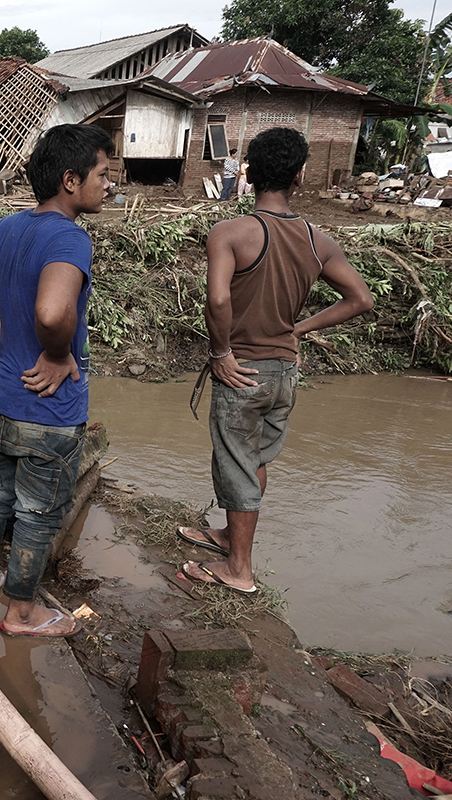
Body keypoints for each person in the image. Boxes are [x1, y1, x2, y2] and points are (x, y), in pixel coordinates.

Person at [178, 127, 374, 594]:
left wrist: (220, 352)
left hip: (243, 369)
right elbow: (360, 299)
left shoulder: (230, 232)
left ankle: (239, 570)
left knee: (235, 462)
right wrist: (298, 329)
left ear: (247, 173)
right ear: (300, 176)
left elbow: (218, 300)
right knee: (257, 458)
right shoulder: (316, 239)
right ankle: (230, 537)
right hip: (285, 371)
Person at [0, 124, 114, 638]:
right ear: (70, 179)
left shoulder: (10, 228)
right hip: (50, 408)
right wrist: (60, 354)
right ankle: (21, 615)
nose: (110, 185)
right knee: (39, 513)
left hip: (4, 400)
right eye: (104, 174)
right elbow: (51, 310)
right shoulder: (69, 237)